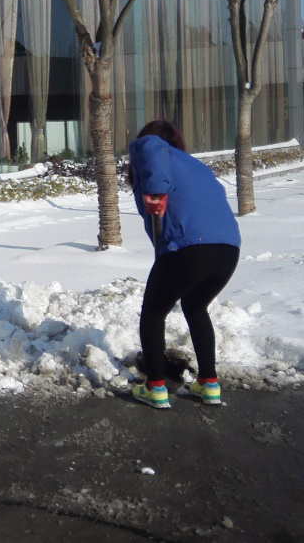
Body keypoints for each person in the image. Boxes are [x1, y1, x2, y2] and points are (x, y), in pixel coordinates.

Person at [128, 120, 241, 410]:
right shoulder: (194, 165)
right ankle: (209, 384)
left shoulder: (152, 149)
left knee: (154, 311)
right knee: (195, 306)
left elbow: (151, 146)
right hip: (227, 250)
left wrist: (155, 190)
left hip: (190, 247)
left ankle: (154, 387)